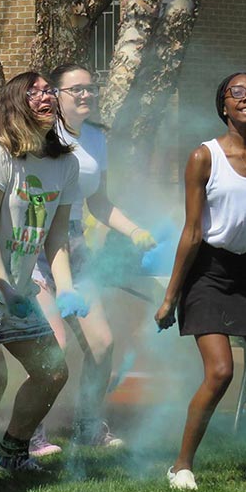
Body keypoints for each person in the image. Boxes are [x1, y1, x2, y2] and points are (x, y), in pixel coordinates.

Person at [0, 72, 84, 492]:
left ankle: (10, 451)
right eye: (35, 91)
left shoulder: (67, 162)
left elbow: (57, 236)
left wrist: (66, 288)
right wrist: (3, 283)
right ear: (15, 102)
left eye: (49, 91)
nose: (46, 96)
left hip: (20, 290)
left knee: (52, 371)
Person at [156, 72, 246, 490]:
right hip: (208, 274)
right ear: (224, 106)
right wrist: (171, 297)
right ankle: (181, 466)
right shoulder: (204, 157)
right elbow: (193, 232)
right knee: (220, 372)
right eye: (238, 92)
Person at [27, 64, 157, 455]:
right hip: (33, 248)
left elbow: (98, 202)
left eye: (90, 88)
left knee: (102, 343)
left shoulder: (97, 141)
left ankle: (87, 425)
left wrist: (134, 230)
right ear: (57, 95)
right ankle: (28, 432)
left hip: (74, 247)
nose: (85, 95)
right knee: (55, 345)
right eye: (76, 89)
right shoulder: (42, 137)